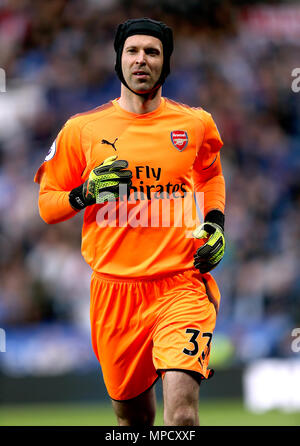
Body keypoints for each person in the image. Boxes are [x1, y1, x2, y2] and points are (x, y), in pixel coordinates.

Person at [34, 18, 226, 426]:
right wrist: (85, 193)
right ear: (118, 61)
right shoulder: (81, 129)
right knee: (133, 421)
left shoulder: (194, 124)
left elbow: (210, 173)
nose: (142, 60)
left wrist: (215, 222)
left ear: (166, 63)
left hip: (181, 285)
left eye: (152, 52)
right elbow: (48, 206)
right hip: (115, 294)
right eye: (132, 51)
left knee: (182, 418)